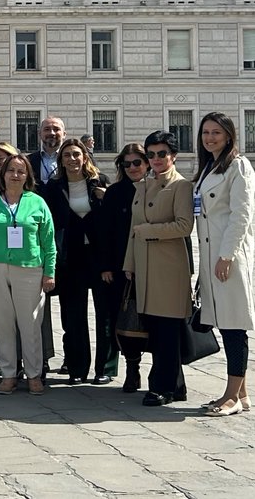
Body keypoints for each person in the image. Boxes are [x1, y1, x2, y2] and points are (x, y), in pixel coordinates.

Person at [0, 153, 56, 396]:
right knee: (2, 323)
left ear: (28, 175)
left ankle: (33, 374)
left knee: (30, 325)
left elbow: (48, 242)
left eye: (21, 171)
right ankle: (8, 374)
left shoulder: (37, 202)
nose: (15, 175)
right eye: (11, 170)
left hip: (29, 269)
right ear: (2, 174)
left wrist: (49, 272)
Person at [193, 113, 255, 417]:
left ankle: (231, 396)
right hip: (210, 256)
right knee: (223, 321)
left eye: (216, 132)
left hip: (227, 256)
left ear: (229, 135)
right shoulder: (208, 167)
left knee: (234, 325)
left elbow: (241, 214)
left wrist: (227, 255)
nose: (210, 138)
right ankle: (240, 393)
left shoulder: (238, 166)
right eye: (205, 132)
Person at [123, 131, 193, 407]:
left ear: (173, 155)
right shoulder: (143, 185)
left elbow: (184, 226)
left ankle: (162, 386)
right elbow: (132, 230)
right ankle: (176, 386)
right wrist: (129, 263)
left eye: (162, 154)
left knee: (166, 331)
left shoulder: (181, 186)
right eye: (150, 154)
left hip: (169, 268)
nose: (156, 159)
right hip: (144, 267)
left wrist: (149, 232)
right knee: (157, 330)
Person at [43, 138, 111, 385]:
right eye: (66, 155)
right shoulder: (54, 187)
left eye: (76, 154)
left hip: (99, 259)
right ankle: (77, 368)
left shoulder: (100, 182)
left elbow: (110, 226)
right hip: (69, 259)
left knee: (104, 314)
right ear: (61, 160)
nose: (72, 159)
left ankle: (104, 369)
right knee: (73, 317)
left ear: (85, 157)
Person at [97, 143, 149, 392]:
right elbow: (104, 232)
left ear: (147, 163)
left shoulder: (158, 188)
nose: (132, 168)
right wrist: (106, 265)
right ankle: (132, 368)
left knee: (155, 321)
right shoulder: (115, 192)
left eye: (136, 162)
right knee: (124, 319)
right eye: (126, 164)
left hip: (152, 265)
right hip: (119, 267)